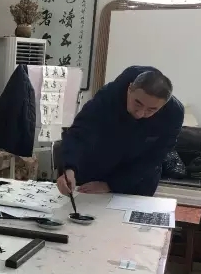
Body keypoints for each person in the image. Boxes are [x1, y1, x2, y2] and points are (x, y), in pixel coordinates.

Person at [56, 66, 184, 197]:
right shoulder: (108, 96)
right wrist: (69, 167)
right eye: (138, 103)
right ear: (129, 89)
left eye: (151, 110)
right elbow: (79, 133)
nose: (140, 114)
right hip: (96, 168)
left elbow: (154, 158)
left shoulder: (174, 113)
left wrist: (110, 185)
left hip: (136, 179)